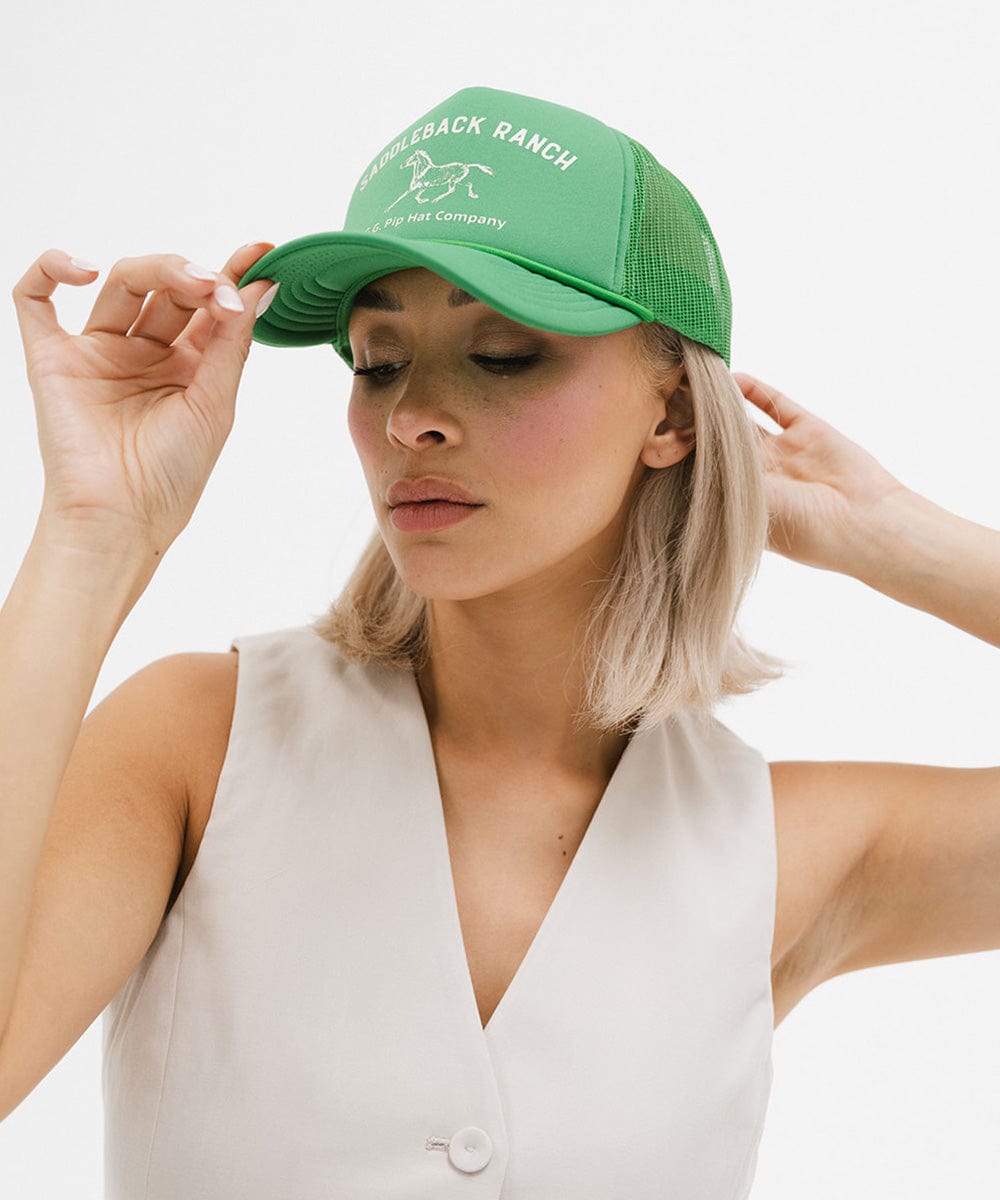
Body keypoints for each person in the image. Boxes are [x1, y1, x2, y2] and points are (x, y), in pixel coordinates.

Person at [0, 85, 997, 1199]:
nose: (409, 416)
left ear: (669, 415)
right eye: (377, 360)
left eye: (504, 353)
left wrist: (897, 539)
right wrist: (92, 540)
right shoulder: (196, 744)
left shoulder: (785, 850)